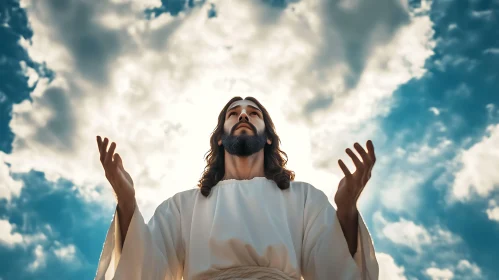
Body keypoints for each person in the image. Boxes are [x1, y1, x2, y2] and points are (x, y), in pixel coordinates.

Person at [94, 96, 379, 280]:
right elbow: (147, 266)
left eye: (254, 113)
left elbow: (332, 266)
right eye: (234, 113)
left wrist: (346, 209)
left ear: (268, 138)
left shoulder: (303, 198)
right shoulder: (183, 206)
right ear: (219, 138)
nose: (243, 116)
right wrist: (127, 201)